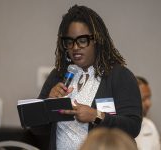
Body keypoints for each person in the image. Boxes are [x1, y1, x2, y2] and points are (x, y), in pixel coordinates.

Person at [32, 5, 142, 150]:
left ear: (97, 40)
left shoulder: (119, 76)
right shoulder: (58, 75)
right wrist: (48, 104)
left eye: (82, 40)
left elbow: (132, 127)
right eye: (69, 42)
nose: (75, 47)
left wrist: (96, 116)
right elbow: (36, 129)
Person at [135, 76, 161, 150]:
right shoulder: (119, 127)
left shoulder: (150, 126)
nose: (149, 103)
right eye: (144, 99)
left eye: (149, 98)